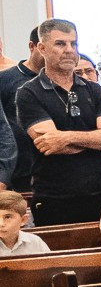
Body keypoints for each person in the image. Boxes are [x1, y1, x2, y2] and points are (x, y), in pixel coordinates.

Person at [17, 19, 101, 224]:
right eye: (61, 44)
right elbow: (49, 144)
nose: (70, 50)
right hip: (55, 199)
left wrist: (66, 137)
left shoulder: (96, 91)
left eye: (74, 44)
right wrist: (92, 141)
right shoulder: (29, 93)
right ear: (42, 48)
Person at [0, 28, 41, 189]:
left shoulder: (60, 82)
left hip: (48, 169)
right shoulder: (6, 78)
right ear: (33, 46)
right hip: (17, 169)